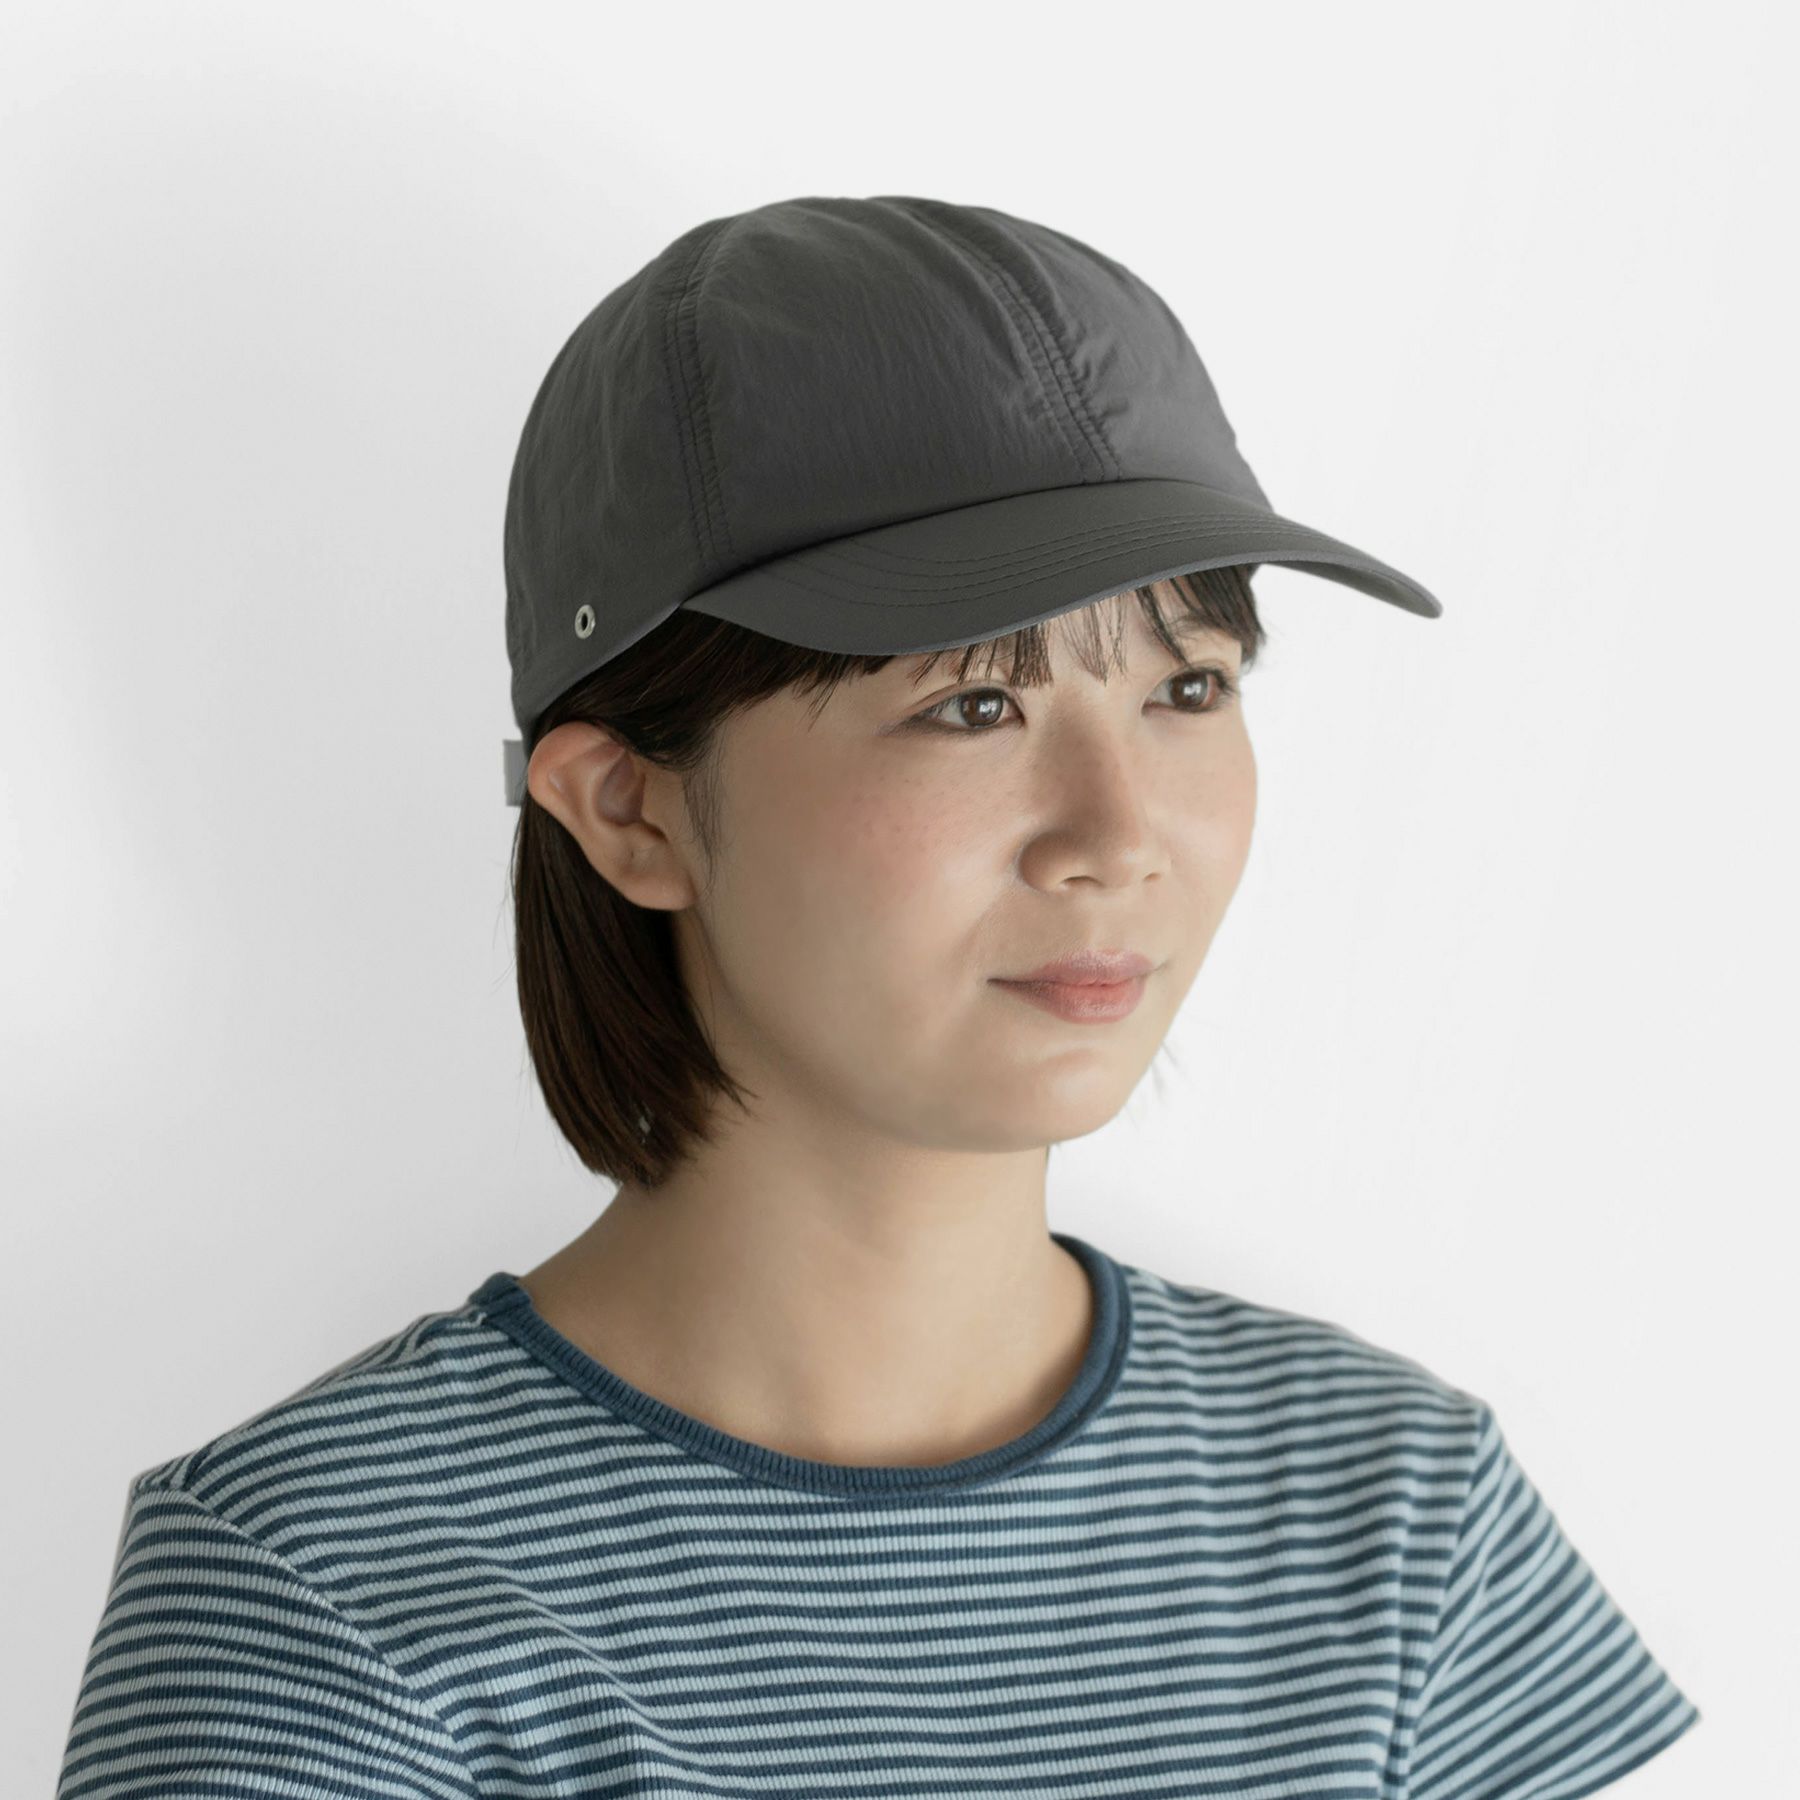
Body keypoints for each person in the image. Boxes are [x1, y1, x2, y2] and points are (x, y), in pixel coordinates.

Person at [56, 196, 1700, 1797]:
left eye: (1189, 686)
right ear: (629, 812)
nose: (1119, 836)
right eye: (976, 703)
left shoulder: (1395, 1519)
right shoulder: (322, 1600)